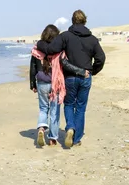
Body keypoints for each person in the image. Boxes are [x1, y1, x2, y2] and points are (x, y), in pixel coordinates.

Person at [35, 10, 105, 148]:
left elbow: (50, 49)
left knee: (69, 105)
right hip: (85, 77)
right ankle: (76, 138)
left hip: (70, 78)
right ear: (85, 21)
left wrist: (39, 43)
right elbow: (101, 58)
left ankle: (71, 128)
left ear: (73, 21)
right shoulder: (92, 39)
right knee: (80, 108)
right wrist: (92, 71)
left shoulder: (66, 36)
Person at [30, 24, 86, 147]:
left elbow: (33, 67)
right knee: (55, 111)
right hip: (55, 83)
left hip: (41, 82)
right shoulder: (59, 51)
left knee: (43, 108)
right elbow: (65, 65)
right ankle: (52, 139)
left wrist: (32, 84)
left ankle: (41, 129)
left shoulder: (36, 49)